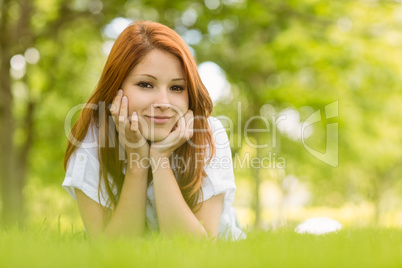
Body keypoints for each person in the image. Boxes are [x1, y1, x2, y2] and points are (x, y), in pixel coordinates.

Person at [62, 21, 245, 241]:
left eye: (177, 87)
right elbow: (112, 250)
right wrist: (137, 162)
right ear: (115, 88)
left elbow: (196, 249)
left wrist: (160, 157)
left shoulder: (209, 134)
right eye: (146, 84)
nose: (164, 102)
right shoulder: (92, 138)